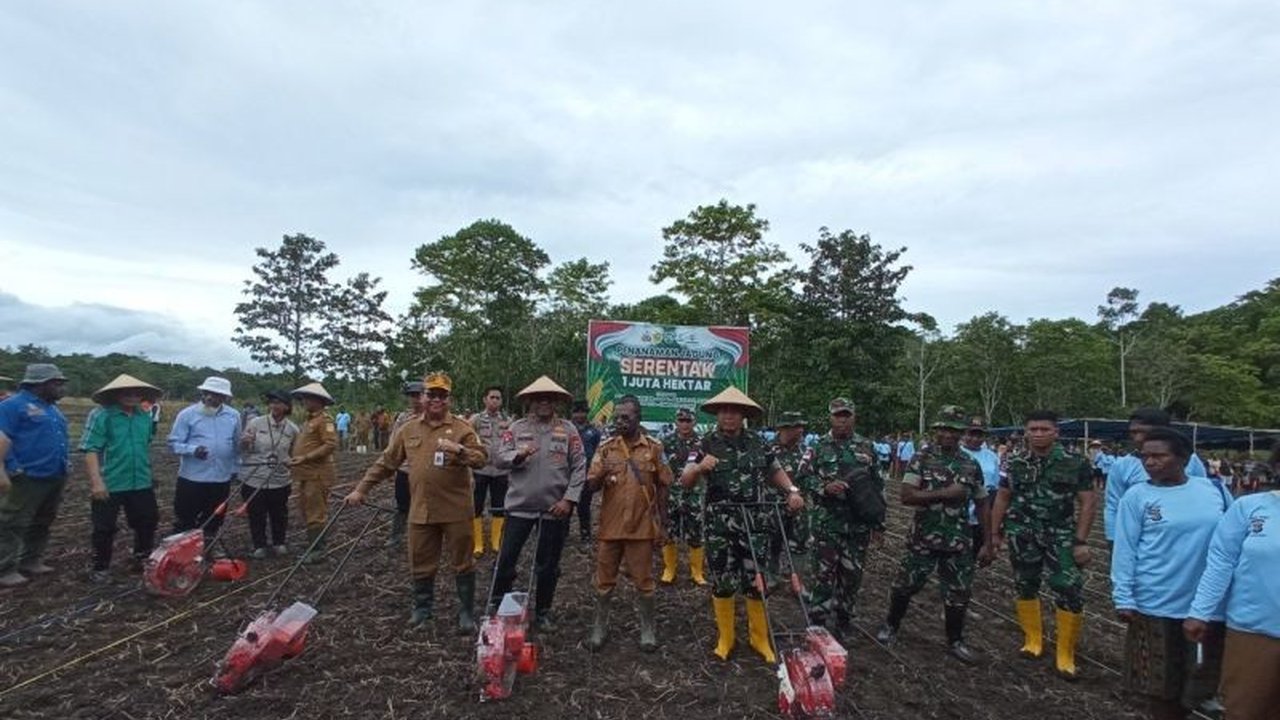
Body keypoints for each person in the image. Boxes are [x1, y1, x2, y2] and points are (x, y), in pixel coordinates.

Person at [346, 372, 487, 632]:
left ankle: (466, 613)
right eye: (431, 394)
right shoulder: (407, 429)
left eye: (442, 396)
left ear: (449, 399)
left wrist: (461, 451)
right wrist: (361, 489)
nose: (436, 400)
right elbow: (386, 463)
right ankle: (422, 610)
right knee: (420, 560)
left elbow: (481, 458)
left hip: (456, 510)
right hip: (421, 509)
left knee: (463, 561)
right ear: (423, 397)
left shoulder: (462, 429)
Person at [679, 386, 804, 664]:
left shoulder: (758, 442)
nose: (728, 416)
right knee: (723, 581)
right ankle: (726, 638)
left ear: (743, 415)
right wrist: (699, 468)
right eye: (724, 411)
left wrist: (792, 491)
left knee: (755, 581)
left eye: (734, 411)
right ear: (717, 415)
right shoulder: (705, 444)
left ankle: (759, 638)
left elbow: (775, 470)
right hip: (719, 527)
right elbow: (685, 480)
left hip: (754, 525)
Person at [1113, 427, 1228, 720]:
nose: (1149, 462)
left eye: (1158, 456)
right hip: (1155, 603)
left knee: (1199, 682)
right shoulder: (1137, 497)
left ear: (1183, 458)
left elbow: (1231, 541)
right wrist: (1123, 596)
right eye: (1145, 457)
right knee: (1160, 687)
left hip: (1206, 605)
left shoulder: (1212, 490)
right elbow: (1125, 549)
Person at [876, 406, 993, 663]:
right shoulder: (921, 458)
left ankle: (955, 640)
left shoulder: (970, 464)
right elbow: (906, 496)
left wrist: (988, 542)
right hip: (923, 537)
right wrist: (945, 494)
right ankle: (890, 625)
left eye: (954, 430)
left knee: (958, 592)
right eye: (944, 429)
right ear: (936, 430)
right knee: (905, 585)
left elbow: (983, 503)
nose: (949, 435)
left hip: (958, 539)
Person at [989, 409, 1098, 679]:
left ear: (1056, 432)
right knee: (1025, 584)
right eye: (1033, 429)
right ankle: (1033, 641)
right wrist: (994, 533)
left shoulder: (1076, 462)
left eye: (1044, 429)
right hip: (1022, 533)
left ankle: (1065, 654)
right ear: (1026, 432)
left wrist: (1081, 541)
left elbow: (1088, 502)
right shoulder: (1014, 461)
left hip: (1060, 535)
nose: (1038, 434)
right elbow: (1003, 497)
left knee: (1069, 588)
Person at [1184, 439, 1280, 720]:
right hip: (1254, 629)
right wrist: (1200, 612)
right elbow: (1220, 563)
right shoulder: (1249, 508)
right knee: (1243, 710)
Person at [491, 376, 586, 631]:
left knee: (548, 565)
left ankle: (543, 611)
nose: (544, 402)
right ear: (530, 401)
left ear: (555, 402)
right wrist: (517, 456)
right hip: (519, 508)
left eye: (549, 398)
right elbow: (499, 458)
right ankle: (498, 607)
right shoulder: (517, 428)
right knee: (506, 560)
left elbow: (579, 466)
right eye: (538, 398)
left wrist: (569, 500)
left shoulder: (568, 430)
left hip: (554, 510)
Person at [585, 395, 673, 651]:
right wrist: (601, 472)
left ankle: (647, 628)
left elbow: (665, 485)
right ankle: (600, 625)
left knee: (644, 581)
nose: (621, 421)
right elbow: (591, 486)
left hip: (641, 527)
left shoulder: (654, 448)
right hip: (610, 528)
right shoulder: (606, 448)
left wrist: (664, 524)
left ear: (638, 417)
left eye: (627, 417)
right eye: (618, 417)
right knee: (603, 580)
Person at [803, 398, 884, 639]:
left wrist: (878, 523)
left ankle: (844, 620)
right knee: (823, 574)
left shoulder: (867, 447)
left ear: (854, 417)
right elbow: (802, 478)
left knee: (852, 576)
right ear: (830, 417)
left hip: (857, 526)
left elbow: (878, 487)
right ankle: (817, 620)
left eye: (846, 415)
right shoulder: (817, 447)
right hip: (826, 524)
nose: (842, 419)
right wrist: (824, 487)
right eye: (838, 415)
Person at [82, 374, 163, 583]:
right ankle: (101, 567)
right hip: (111, 481)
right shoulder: (102, 415)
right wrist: (97, 482)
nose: (131, 396)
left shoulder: (143, 416)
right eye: (126, 392)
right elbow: (91, 449)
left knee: (148, 520)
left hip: (141, 480)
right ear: (116, 394)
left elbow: (144, 446)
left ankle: (141, 558)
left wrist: (150, 473)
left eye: (136, 393)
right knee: (104, 527)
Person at [0, 364, 70, 588]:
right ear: (40, 384)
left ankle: (31, 560)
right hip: (26, 476)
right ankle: (5, 568)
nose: (61, 388)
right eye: (56, 383)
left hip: (54, 474)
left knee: (42, 521)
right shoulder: (13, 406)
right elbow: (2, 437)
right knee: (12, 522)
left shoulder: (53, 409)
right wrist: (11, 467)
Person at [1104, 408, 1208, 541]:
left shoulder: (1190, 460)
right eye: (1133, 433)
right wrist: (1113, 539)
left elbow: (1202, 494)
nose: (1138, 438)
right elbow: (1113, 507)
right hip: (1142, 537)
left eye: (1143, 432)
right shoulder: (1122, 466)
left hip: (1185, 535)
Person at [167, 377, 241, 553]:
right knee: (186, 516)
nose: (210, 398)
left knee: (215, 515)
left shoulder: (233, 415)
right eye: (208, 393)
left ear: (225, 398)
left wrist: (236, 468)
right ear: (203, 393)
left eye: (217, 395)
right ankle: (183, 552)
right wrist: (193, 450)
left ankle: (208, 548)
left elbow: (236, 444)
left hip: (220, 476)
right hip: (192, 477)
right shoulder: (187, 415)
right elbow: (173, 443)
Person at [239, 390, 299, 558]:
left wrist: (292, 463)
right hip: (254, 478)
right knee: (256, 513)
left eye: (279, 402)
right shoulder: (256, 423)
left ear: (287, 406)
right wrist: (244, 442)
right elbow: (243, 448)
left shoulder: (293, 429)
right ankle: (259, 545)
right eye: (272, 402)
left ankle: (279, 542)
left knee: (279, 513)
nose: (274, 406)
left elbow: (295, 454)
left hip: (279, 480)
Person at [290, 382, 338, 564]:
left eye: (307, 398)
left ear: (318, 401)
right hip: (305, 474)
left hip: (317, 475)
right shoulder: (309, 421)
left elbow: (330, 445)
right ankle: (313, 547)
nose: (304, 401)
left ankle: (318, 551)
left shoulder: (325, 421)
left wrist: (306, 457)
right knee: (306, 510)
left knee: (315, 512)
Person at [660, 407, 706, 585]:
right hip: (671, 494)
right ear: (676, 422)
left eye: (688, 421)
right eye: (681, 420)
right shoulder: (666, 442)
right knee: (669, 531)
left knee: (696, 532)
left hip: (694, 494)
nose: (685, 424)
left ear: (694, 422)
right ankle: (669, 569)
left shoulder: (702, 442)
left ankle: (697, 572)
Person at [767, 411, 809, 586]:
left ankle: (797, 583)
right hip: (772, 505)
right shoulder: (767, 450)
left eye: (801, 426)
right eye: (796, 427)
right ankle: (771, 577)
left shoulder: (806, 451)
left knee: (800, 542)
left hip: (799, 505)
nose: (800, 430)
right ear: (784, 428)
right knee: (771, 542)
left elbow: (811, 477)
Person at [469, 385, 511, 557]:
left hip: (500, 471)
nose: (495, 400)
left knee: (499, 507)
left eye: (498, 398)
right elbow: (468, 442)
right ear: (485, 399)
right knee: (476, 506)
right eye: (492, 397)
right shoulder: (476, 420)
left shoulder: (507, 421)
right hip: (481, 470)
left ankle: (495, 542)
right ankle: (477, 544)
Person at [385, 382, 423, 548]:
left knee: (423, 506)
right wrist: (389, 467)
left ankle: (422, 538)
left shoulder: (432, 416)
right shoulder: (402, 418)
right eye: (412, 396)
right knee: (402, 505)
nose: (415, 399)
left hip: (423, 470)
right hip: (404, 468)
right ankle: (396, 537)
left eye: (418, 395)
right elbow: (393, 444)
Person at [961, 415, 1000, 560]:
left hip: (981, 516)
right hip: (960, 514)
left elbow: (995, 489)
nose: (975, 438)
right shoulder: (957, 454)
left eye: (980, 435)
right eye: (971, 434)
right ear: (964, 433)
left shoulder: (992, 456)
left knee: (973, 555)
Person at [571, 400, 603, 542]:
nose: (579, 415)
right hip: (568, 473)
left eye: (582, 412)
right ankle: (563, 533)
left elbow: (598, 451)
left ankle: (585, 534)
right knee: (567, 503)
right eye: (577, 412)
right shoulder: (567, 429)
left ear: (586, 413)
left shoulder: (593, 431)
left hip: (586, 472)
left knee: (584, 506)